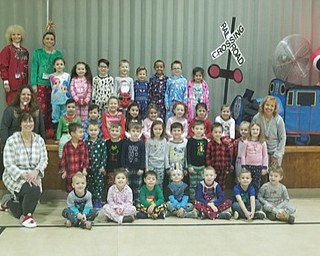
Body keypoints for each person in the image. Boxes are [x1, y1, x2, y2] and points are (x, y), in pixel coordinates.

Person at [0, 112, 48, 228]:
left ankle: (8, 201)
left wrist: (36, 172)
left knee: (19, 211)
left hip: (34, 175)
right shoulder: (12, 140)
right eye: (25, 121)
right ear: (20, 124)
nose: (28, 124)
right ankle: (27, 217)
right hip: (14, 175)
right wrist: (23, 175)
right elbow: (8, 164)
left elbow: (44, 160)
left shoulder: (39, 140)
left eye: (31, 121)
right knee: (34, 190)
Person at [0, 85, 45, 178]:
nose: (26, 96)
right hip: (14, 148)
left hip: (31, 148)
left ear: (32, 96)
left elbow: (41, 128)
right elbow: (4, 127)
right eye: (23, 94)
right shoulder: (10, 110)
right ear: (19, 96)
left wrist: (42, 145)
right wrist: (5, 146)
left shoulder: (37, 110)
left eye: (28, 94)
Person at [31, 30, 63, 130]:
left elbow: (60, 70)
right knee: (41, 108)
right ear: (43, 40)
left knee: (53, 108)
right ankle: (40, 129)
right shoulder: (37, 53)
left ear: (54, 41)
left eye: (52, 39)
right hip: (41, 84)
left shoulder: (58, 54)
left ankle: (51, 130)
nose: (49, 41)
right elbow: (34, 68)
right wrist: (34, 84)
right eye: (47, 39)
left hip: (54, 86)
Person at [252, 95, 286, 167]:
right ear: (263, 105)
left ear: (275, 108)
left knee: (274, 174)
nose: (269, 108)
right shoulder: (257, 117)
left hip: (275, 151)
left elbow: (283, 138)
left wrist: (277, 155)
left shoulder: (279, 120)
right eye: (267, 105)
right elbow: (252, 133)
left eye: (272, 106)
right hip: (260, 150)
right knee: (262, 174)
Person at [0, 24, 29, 104]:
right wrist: (5, 81)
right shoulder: (6, 50)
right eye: (14, 34)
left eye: (18, 34)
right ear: (10, 36)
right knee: (12, 106)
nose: (16, 36)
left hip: (23, 84)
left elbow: (26, 68)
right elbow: (3, 67)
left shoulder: (25, 51)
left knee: (23, 107)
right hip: (12, 85)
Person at [60, 123, 89, 193]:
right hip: (70, 174)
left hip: (80, 174)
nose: (82, 134)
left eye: (83, 132)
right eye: (80, 132)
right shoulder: (66, 146)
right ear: (72, 133)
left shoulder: (83, 145)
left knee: (81, 191)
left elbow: (86, 158)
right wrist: (64, 171)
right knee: (70, 192)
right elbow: (63, 159)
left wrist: (85, 169)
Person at [85, 120, 107, 209]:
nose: (93, 132)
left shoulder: (102, 142)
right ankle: (90, 201)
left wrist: (102, 166)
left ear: (99, 131)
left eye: (95, 130)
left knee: (99, 185)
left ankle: (98, 201)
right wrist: (85, 167)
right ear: (87, 131)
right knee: (90, 185)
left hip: (99, 169)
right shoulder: (85, 143)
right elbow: (84, 155)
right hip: (89, 169)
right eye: (91, 130)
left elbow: (104, 155)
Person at [241, 122, 268, 193]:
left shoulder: (263, 143)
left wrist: (265, 167)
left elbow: (265, 156)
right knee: (247, 183)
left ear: (260, 131)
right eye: (253, 129)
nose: (255, 131)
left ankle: (255, 199)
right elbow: (243, 155)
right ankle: (247, 198)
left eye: (257, 129)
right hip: (248, 166)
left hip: (258, 167)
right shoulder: (246, 142)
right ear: (250, 130)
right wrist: (243, 166)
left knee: (256, 184)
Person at [121, 122, 145, 200]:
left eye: (137, 131)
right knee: (127, 185)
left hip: (138, 169)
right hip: (128, 168)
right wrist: (124, 167)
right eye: (133, 131)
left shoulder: (141, 143)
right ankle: (127, 200)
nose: (135, 133)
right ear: (129, 131)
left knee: (137, 186)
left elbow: (143, 156)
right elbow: (123, 155)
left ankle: (136, 200)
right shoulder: (126, 143)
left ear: (140, 132)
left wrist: (142, 168)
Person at [205, 122, 233, 191]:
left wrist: (227, 168)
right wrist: (210, 169)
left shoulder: (225, 144)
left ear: (222, 133)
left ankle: (220, 198)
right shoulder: (210, 144)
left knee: (221, 185)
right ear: (212, 132)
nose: (218, 134)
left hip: (223, 169)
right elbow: (208, 157)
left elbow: (228, 157)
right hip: (213, 170)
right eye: (215, 132)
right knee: (212, 184)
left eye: (219, 132)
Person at [187, 120, 207, 202]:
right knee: (193, 184)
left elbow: (207, 154)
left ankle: (199, 199)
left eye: (201, 129)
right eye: (197, 129)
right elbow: (188, 154)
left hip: (202, 166)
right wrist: (189, 165)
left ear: (204, 130)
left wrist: (206, 166)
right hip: (193, 167)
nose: (199, 131)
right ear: (193, 129)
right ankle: (192, 199)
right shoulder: (191, 141)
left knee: (201, 184)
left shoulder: (205, 141)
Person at [49, 57, 71, 133]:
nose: (59, 66)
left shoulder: (67, 75)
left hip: (65, 99)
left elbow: (68, 87)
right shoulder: (51, 76)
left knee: (64, 115)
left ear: (64, 66)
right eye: (57, 64)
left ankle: (64, 131)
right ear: (54, 66)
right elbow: (53, 87)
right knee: (55, 116)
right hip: (55, 99)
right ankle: (56, 132)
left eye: (61, 64)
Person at [145, 120, 166, 188]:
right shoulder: (149, 141)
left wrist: (166, 166)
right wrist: (147, 167)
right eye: (155, 129)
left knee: (159, 184)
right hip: (151, 166)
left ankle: (159, 197)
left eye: (160, 129)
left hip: (161, 166)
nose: (158, 131)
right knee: (150, 183)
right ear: (152, 130)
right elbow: (146, 154)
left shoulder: (164, 140)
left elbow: (165, 154)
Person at [105, 122, 124, 190]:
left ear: (120, 132)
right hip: (109, 168)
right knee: (110, 185)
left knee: (119, 185)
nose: (114, 132)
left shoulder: (123, 143)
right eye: (112, 130)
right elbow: (105, 156)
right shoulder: (107, 143)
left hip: (119, 168)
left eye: (117, 131)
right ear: (109, 131)